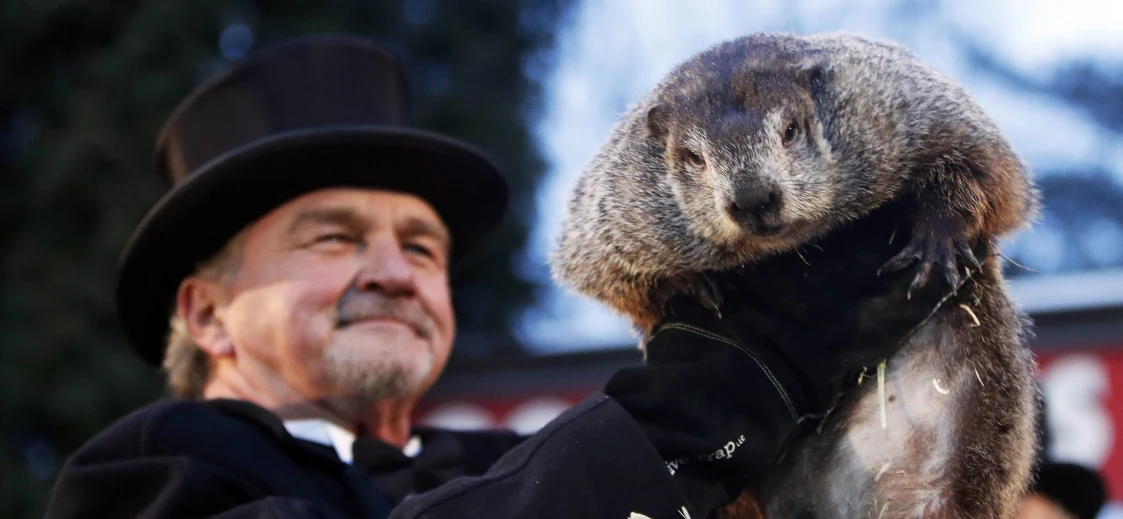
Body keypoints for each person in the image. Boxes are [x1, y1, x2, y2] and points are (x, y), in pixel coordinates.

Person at [43, 35, 947, 519]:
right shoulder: (145, 474)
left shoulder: (498, 464)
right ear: (208, 313)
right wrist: (723, 389)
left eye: (424, 247)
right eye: (332, 239)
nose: (395, 272)